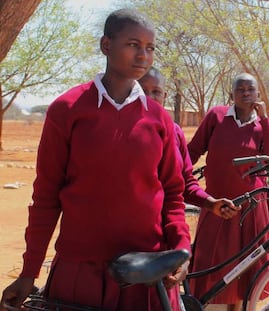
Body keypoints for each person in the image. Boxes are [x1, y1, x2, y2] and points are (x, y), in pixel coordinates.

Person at [0, 9, 190, 311]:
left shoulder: (159, 120)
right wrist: (28, 272)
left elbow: (173, 195)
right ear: (106, 45)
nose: (143, 55)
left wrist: (181, 248)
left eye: (150, 48)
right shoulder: (68, 109)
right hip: (80, 273)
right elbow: (46, 197)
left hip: (144, 275)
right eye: (133, 44)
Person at [187, 73, 269, 311]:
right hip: (217, 203)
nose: (245, 93)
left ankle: (243, 306)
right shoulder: (216, 116)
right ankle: (211, 306)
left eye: (250, 89)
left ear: (258, 95)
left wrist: (265, 121)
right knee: (213, 259)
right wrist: (177, 175)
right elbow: (193, 150)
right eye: (239, 89)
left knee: (249, 263)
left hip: (252, 206)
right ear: (232, 94)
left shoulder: (262, 126)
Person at [138, 67, 237, 221]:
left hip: (167, 224)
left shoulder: (175, 132)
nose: (149, 97)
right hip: (130, 227)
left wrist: (211, 204)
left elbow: (185, 182)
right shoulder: (119, 131)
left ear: (164, 96)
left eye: (156, 92)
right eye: (142, 90)